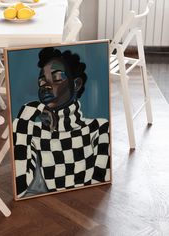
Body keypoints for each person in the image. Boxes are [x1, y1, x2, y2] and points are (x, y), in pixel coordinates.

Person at [13, 47, 110, 198]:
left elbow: (101, 182)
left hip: (88, 207)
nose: (46, 86)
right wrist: (26, 115)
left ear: (76, 84)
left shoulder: (98, 128)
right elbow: (19, 188)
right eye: (42, 82)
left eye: (57, 78)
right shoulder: (33, 132)